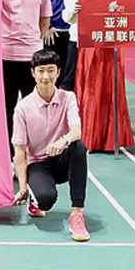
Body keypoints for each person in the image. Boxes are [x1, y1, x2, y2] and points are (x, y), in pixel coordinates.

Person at [63, 0, 135, 152]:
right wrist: (75, 10)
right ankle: (89, 137)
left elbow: (133, 2)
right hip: (91, 43)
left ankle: (112, 138)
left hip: (113, 43)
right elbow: (69, 11)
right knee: (91, 88)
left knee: (112, 89)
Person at [11, 48, 90, 242]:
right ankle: (35, 197)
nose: (46, 76)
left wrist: (63, 140)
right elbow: (20, 151)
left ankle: (77, 214)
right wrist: (22, 188)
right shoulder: (23, 108)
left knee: (78, 148)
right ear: (33, 73)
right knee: (45, 201)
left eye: (51, 70)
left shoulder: (68, 98)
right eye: (41, 71)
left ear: (58, 72)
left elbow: (76, 131)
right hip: (38, 164)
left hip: (61, 160)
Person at [0, 0, 52, 145]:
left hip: (32, 57)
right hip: (5, 57)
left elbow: (45, 20)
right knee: (6, 106)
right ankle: (9, 151)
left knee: (34, 106)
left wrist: (34, 41)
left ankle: (34, 148)